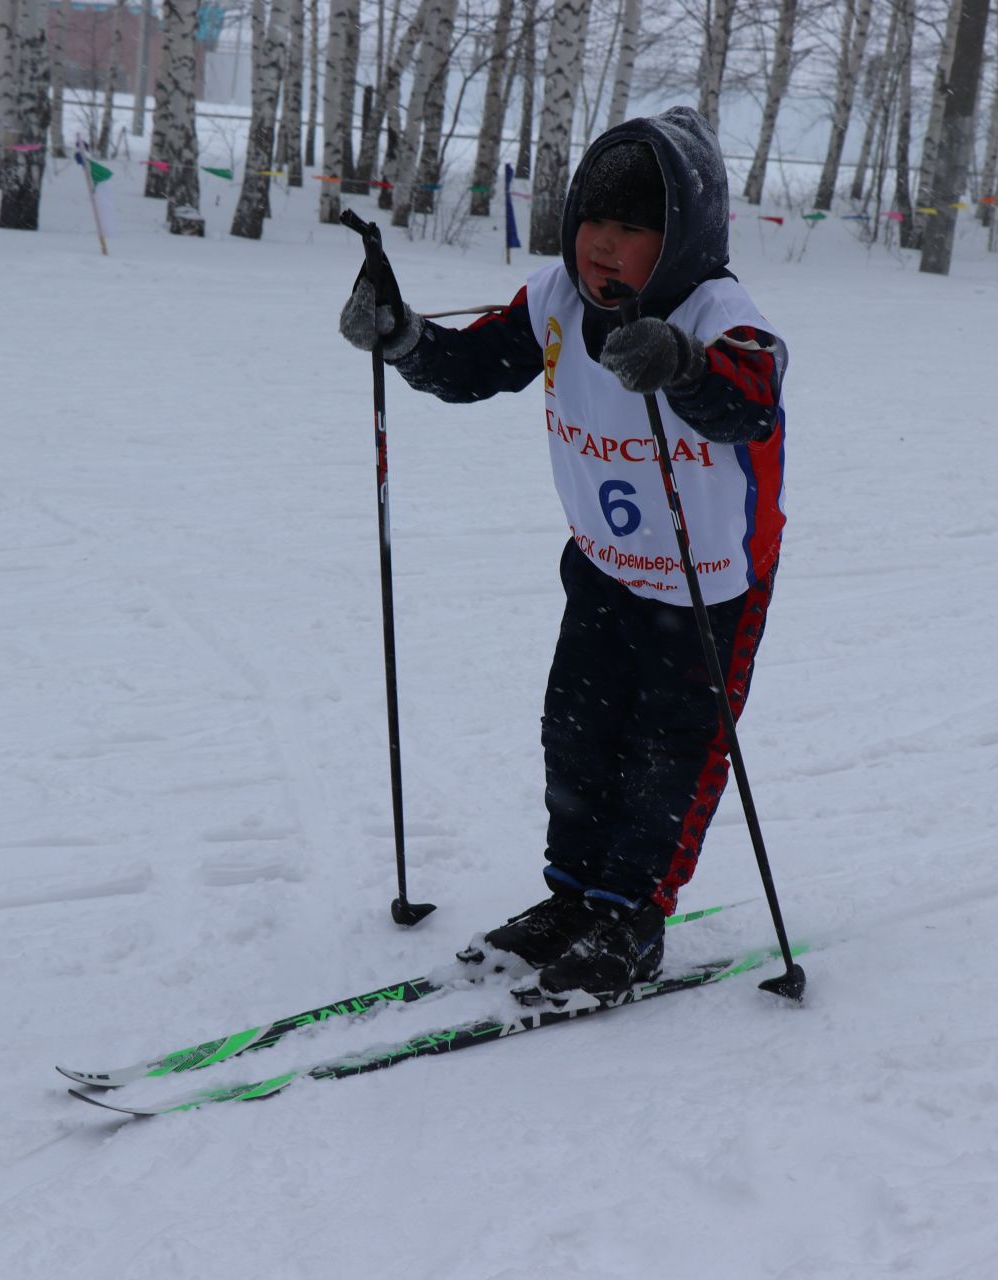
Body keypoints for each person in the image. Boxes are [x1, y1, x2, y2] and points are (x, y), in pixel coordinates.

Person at [338, 106, 786, 1001]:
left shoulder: (720, 314)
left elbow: (749, 397)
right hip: (604, 566)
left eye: (632, 230)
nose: (604, 247)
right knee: (575, 736)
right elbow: (476, 367)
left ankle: (633, 913)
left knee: (673, 753)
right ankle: (574, 896)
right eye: (594, 221)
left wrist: (684, 364)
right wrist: (405, 340)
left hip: (707, 590)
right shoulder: (552, 300)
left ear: (682, 238)